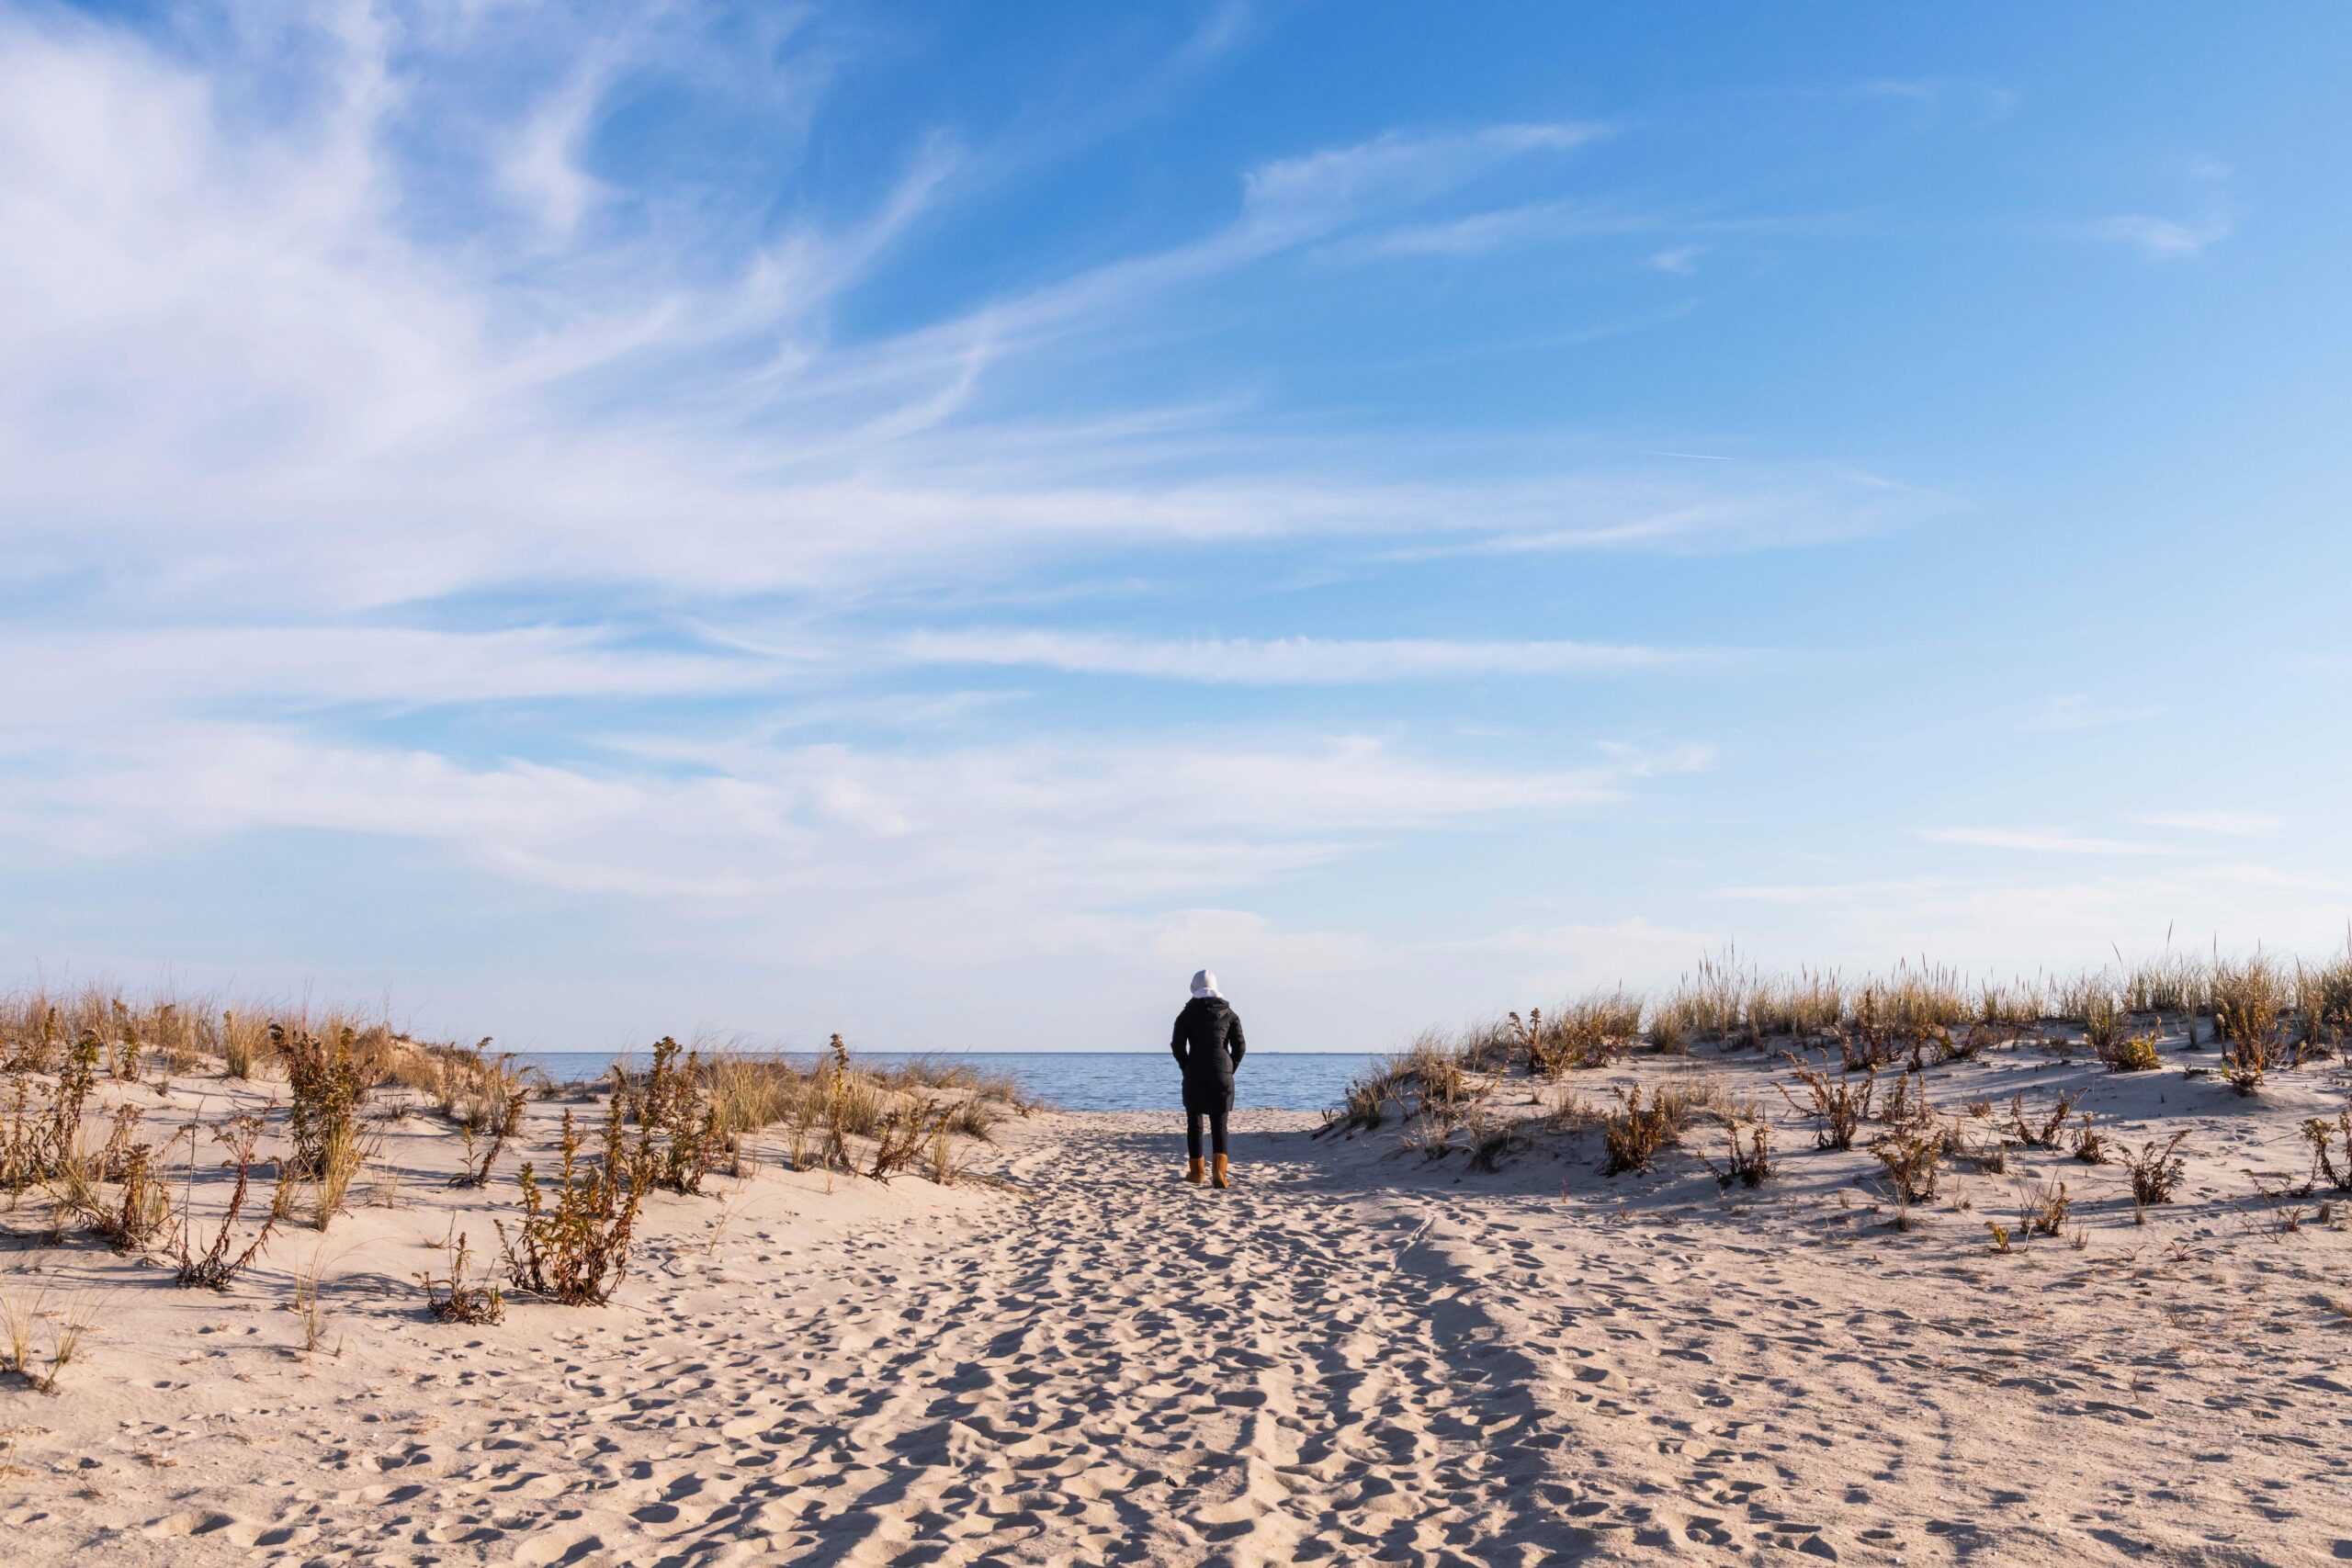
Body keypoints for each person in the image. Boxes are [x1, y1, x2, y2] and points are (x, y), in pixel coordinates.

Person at [1170, 969, 1246, 1188]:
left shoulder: (1186, 1014)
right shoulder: (1230, 1013)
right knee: (1220, 1124)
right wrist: (1229, 1068)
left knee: (1195, 1123)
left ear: (1194, 988)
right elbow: (1240, 1046)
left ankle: (1197, 1173)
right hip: (1222, 1072)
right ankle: (1219, 1174)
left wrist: (1186, 1066)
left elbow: (1177, 1046)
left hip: (1195, 1071)